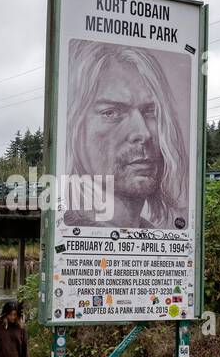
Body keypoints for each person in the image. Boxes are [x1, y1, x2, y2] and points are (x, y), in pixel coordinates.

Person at [63, 40, 190, 229]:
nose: (143, 133)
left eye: (150, 112)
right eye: (111, 113)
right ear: (76, 126)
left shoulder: (154, 237)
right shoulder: (71, 232)